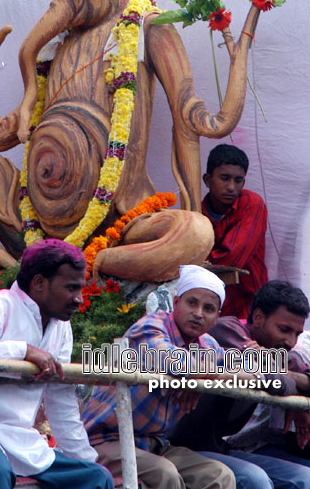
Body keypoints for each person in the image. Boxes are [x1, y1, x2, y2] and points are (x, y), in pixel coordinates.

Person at [0, 239, 114, 489]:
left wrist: (85, 461)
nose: (79, 299)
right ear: (39, 283)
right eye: (71, 288)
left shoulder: (62, 328)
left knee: (96, 478)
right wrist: (22, 351)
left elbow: (61, 402)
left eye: (80, 289)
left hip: (22, 441)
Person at [82, 264, 239, 489]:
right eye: (192, 303)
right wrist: (203, 376)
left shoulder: (208, 345)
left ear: (217, 317)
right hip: (105, 440)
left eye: (208, 308)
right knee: (165, 473)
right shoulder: (151, 325)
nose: (198, 313)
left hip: (155, 444)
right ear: (176, 303)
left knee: (220, 475)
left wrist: (200, 378)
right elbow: (172, 361)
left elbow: (253, 374)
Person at [168, 280, 310, 488]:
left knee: (304, 478)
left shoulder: (274, 350)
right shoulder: (227, 330)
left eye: (296, 334)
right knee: (255, 480)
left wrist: (292, 389)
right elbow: (271, 381)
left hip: (217, 447)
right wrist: (291, 390)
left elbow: (292, 376)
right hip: (181, 447)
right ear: (259, 318)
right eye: (284, 329)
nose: (290, 342)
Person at [202, 144, 268, 317]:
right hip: (208, 312)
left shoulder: (252, 203)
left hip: (250, 310)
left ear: (243, 182)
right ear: (207, 180)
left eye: (238, 180)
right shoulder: (196, 212)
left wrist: (194, 265)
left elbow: (231, 259)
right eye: (224, 178)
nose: (231, 187)